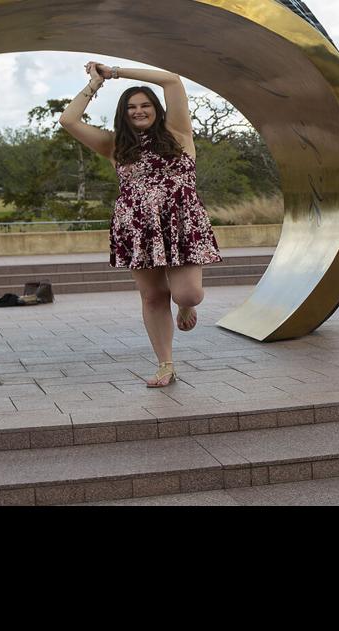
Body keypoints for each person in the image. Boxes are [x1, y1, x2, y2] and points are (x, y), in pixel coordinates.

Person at [57, 60, 222, 387]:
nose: (139, 111)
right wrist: (95, 83)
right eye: (131, 107)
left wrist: (116, 72)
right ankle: (165, 364)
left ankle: (185, 306)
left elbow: (172, 79)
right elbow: (68, 120)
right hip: (137, 226)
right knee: (152, 296)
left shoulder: (178, 132)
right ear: (123, 112)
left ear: (156, 110)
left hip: (180, 220)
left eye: (145, 105)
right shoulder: (115, 145)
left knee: (189, 293)